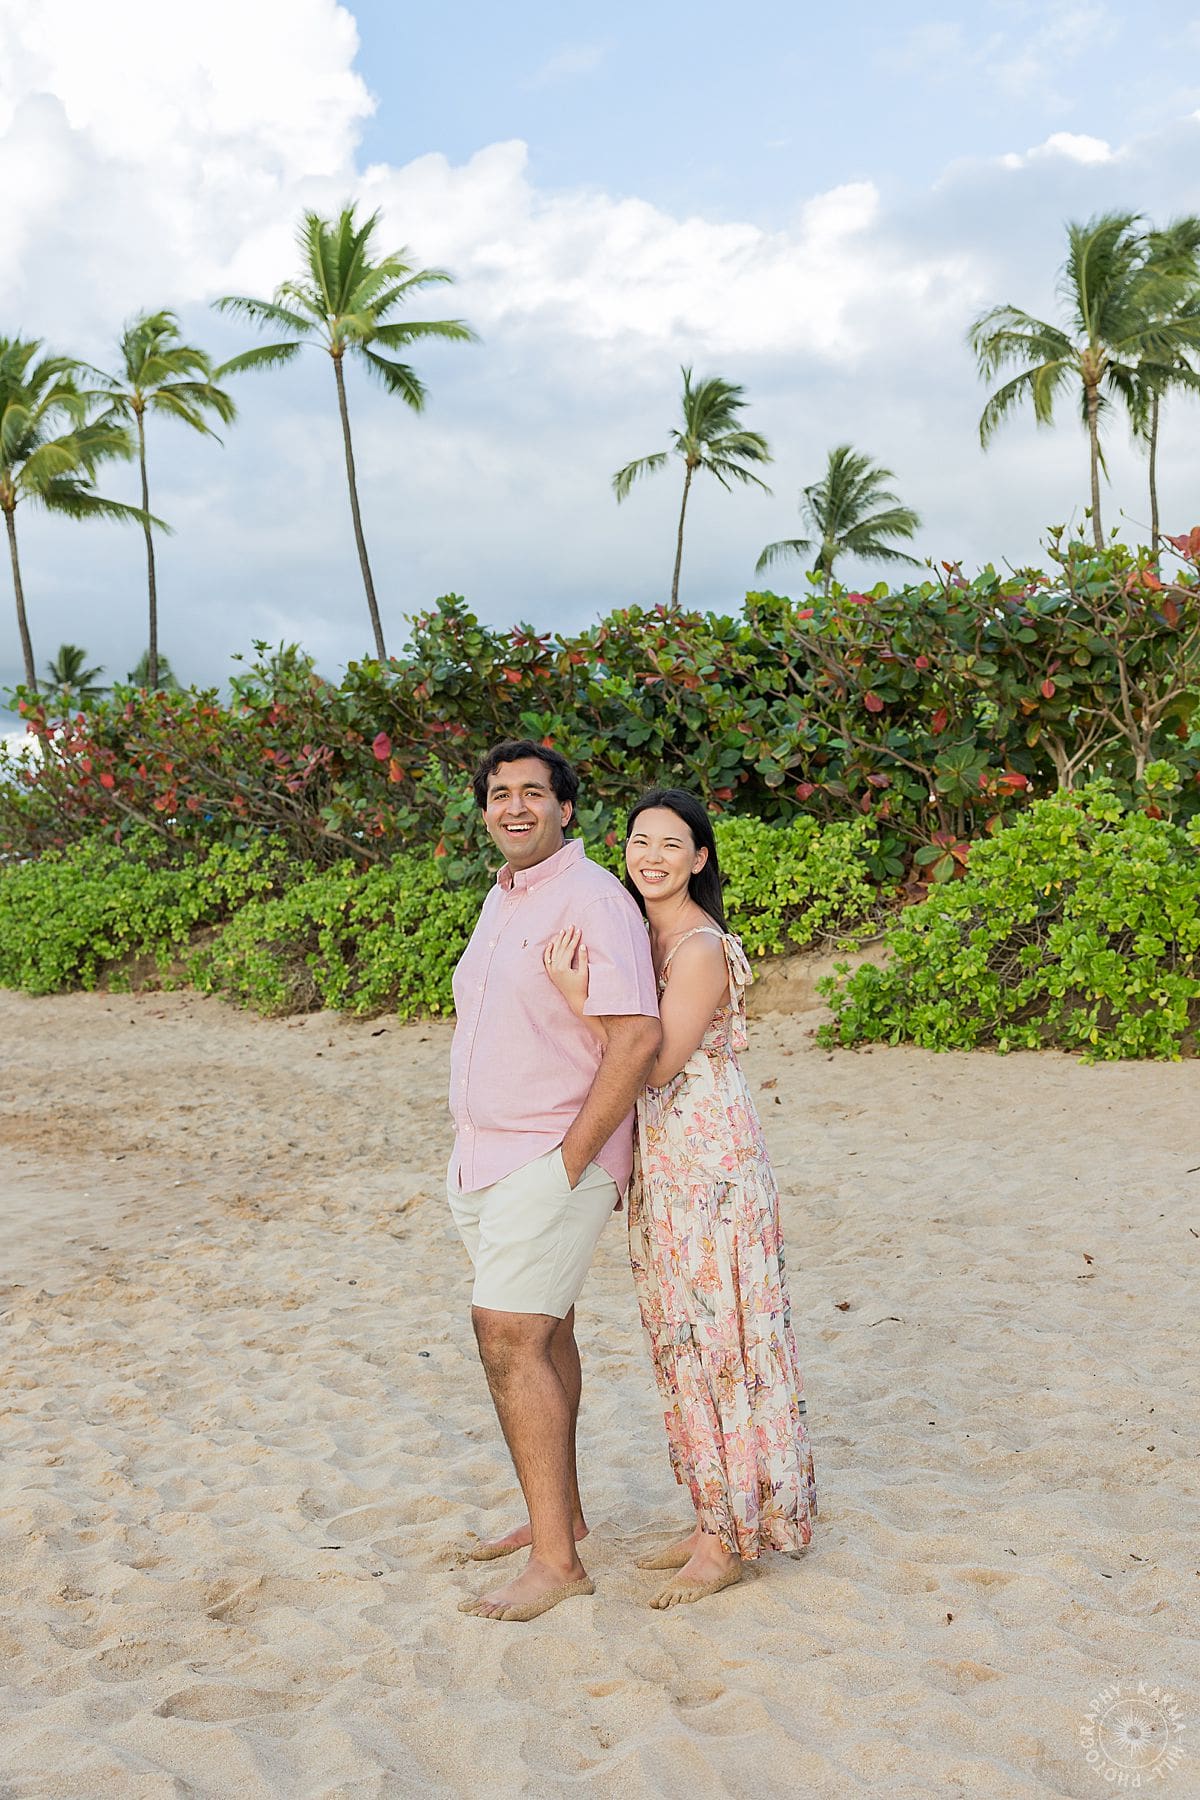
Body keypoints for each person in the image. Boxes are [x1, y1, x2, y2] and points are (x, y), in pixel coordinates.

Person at [544, 787, 817, 1608]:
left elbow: (654, 1066)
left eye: (671, 844)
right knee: (681, 1340)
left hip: (710, 1160)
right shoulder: (640, 934)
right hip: (666, 1157)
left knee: (721, 1339)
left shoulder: (696, 945)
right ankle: (713, 1515)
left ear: (700, 858)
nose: (651, 857)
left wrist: (573, 997)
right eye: (638, 841)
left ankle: (730, 1536)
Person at [448, 741, 661, 1623]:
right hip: (483, 1158)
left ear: (567, 809)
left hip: (549, 1159)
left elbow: (638, 1038)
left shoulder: (594, 898)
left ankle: (557, 1564)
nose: (515, 807)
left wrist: (572, 1159)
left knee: (506, 1338)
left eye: (534, 793)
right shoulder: (502, 899)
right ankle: (558, 1515)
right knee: (547, 1333)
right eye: (500, 794)